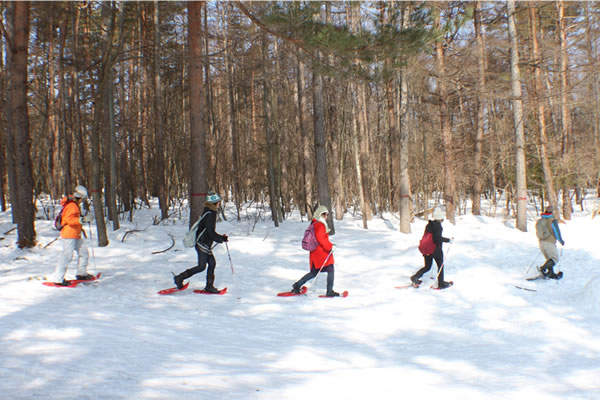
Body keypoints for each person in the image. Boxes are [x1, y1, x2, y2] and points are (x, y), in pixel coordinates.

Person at [174, 192, 228, 293]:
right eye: (218, 202)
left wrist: (220, 238)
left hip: (205, 244)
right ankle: (179, 278)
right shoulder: (210, 214)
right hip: (202, 244)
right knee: (201, 266)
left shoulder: (209, 212)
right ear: (215, 203)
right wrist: (221, 239)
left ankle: (209, 286)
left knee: (212, 263)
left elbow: (209, 231)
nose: (220, 203)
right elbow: (210, 232)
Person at [291, 205, 339, 297]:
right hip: (321, 253)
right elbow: (321, 239)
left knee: (314, 272)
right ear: (320, 214)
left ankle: (297, 285)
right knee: (330, 269)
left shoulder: (315, 223)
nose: (326, 216)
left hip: (316, 254)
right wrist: (330, 247)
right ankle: (329, 291)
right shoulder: (320, 225)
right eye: (324, 214)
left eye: (327, 214)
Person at [50, 185, 94, 285]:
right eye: (82, 199)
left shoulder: (74, 205)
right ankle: (58, 279)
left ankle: (81, 273)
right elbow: (69, 220)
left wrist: (82, 218)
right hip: (69, 234)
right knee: (67, 256)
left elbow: (73, 218)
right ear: (80, 197)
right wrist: (82, 220)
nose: (82, 201)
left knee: (84, 253)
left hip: (75, 233)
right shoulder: (72, 206)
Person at [410, 206, 453, 289]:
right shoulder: (438, 226)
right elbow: (437, 239)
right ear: (440, 218)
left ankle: (415, 277)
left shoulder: (429, 225)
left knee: (427, 266)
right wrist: (448, 240)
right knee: (440, 265)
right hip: (434, 249)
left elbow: (429, 237)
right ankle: (441, 283)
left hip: (426, 249)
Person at [536, 205, 565, 279]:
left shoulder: (541, 220)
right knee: (555, 258)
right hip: (549, 242)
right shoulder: (552, 220)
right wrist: (561, 241)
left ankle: (551, 273)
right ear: (552, 212)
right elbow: (557, 232)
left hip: (541, 242)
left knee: (549, 259)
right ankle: (543, 268)